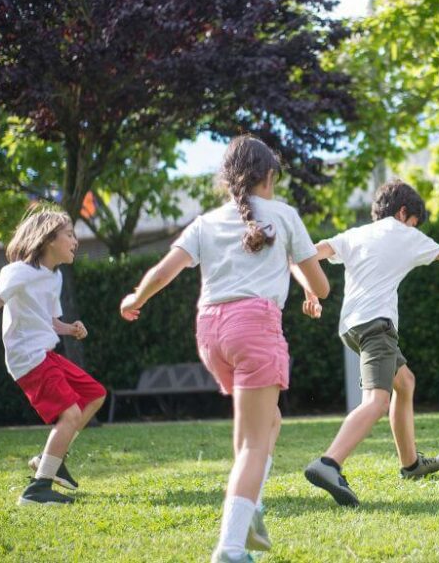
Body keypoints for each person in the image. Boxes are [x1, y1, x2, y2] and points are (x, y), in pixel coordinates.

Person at [120, 134, 328, 562]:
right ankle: (230, 548)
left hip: (210, 332)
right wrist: (311, 288)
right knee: (256, 440)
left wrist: (135, 299)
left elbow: (163, 272)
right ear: (268, 176)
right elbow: (321, 283)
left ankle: (249, 505)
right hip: (254, 329)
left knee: (266, 424)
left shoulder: (206, 222)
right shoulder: (285, 215)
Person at [301, 179, 439, 507]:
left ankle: (411, 465)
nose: (413, 228)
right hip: (377, 327)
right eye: (413, 222)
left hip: (350, 328)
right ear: (404, 212)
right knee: (377, 401)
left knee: (405, 382)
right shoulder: (407, 234)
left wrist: (310, 289)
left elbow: (312, 254)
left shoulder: (355, 234)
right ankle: (329, 463)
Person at [0, 205, 105, 506]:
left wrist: (70, 328)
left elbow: (49, 321)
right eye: (69, 234)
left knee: (94, 394)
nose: (75, 241)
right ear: (49, 239)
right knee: (71, 414)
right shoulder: (17, 272)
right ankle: (37, 490)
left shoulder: (55, 277)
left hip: (45, 352)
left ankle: (51, 459)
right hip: (27, 357)